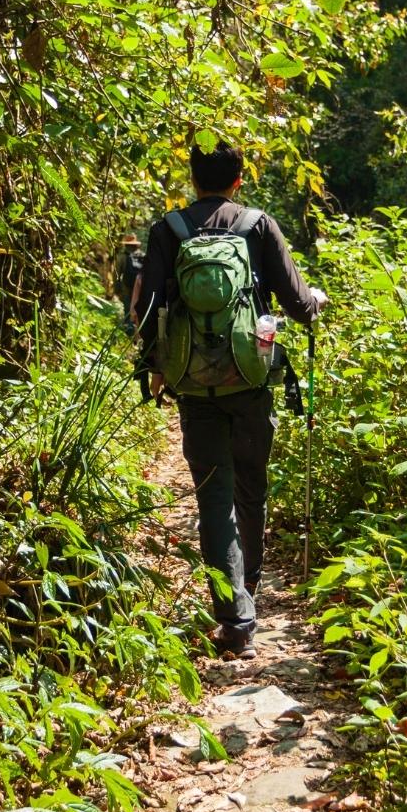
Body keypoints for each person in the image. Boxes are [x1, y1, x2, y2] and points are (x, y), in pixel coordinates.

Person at [137, 143, 326, 658]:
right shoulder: (258, 226)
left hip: (194, 385)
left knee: (214, 499)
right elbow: (297, 304)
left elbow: (149, 308)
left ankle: (235, 619)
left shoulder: (168, 230)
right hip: (251, 379)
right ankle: (250, 589)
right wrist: (315, 303)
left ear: (192, 177)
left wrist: (154, 368)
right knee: (251, 488)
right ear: (239, 180)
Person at [114, 233, 146, 333]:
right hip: (141, 287)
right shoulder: (143, 256)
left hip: (127, 287)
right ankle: (140, 330)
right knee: (140, 307)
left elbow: (117, 274)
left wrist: (117, 289)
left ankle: (129, 328)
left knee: (128, 308)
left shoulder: (122, 257)